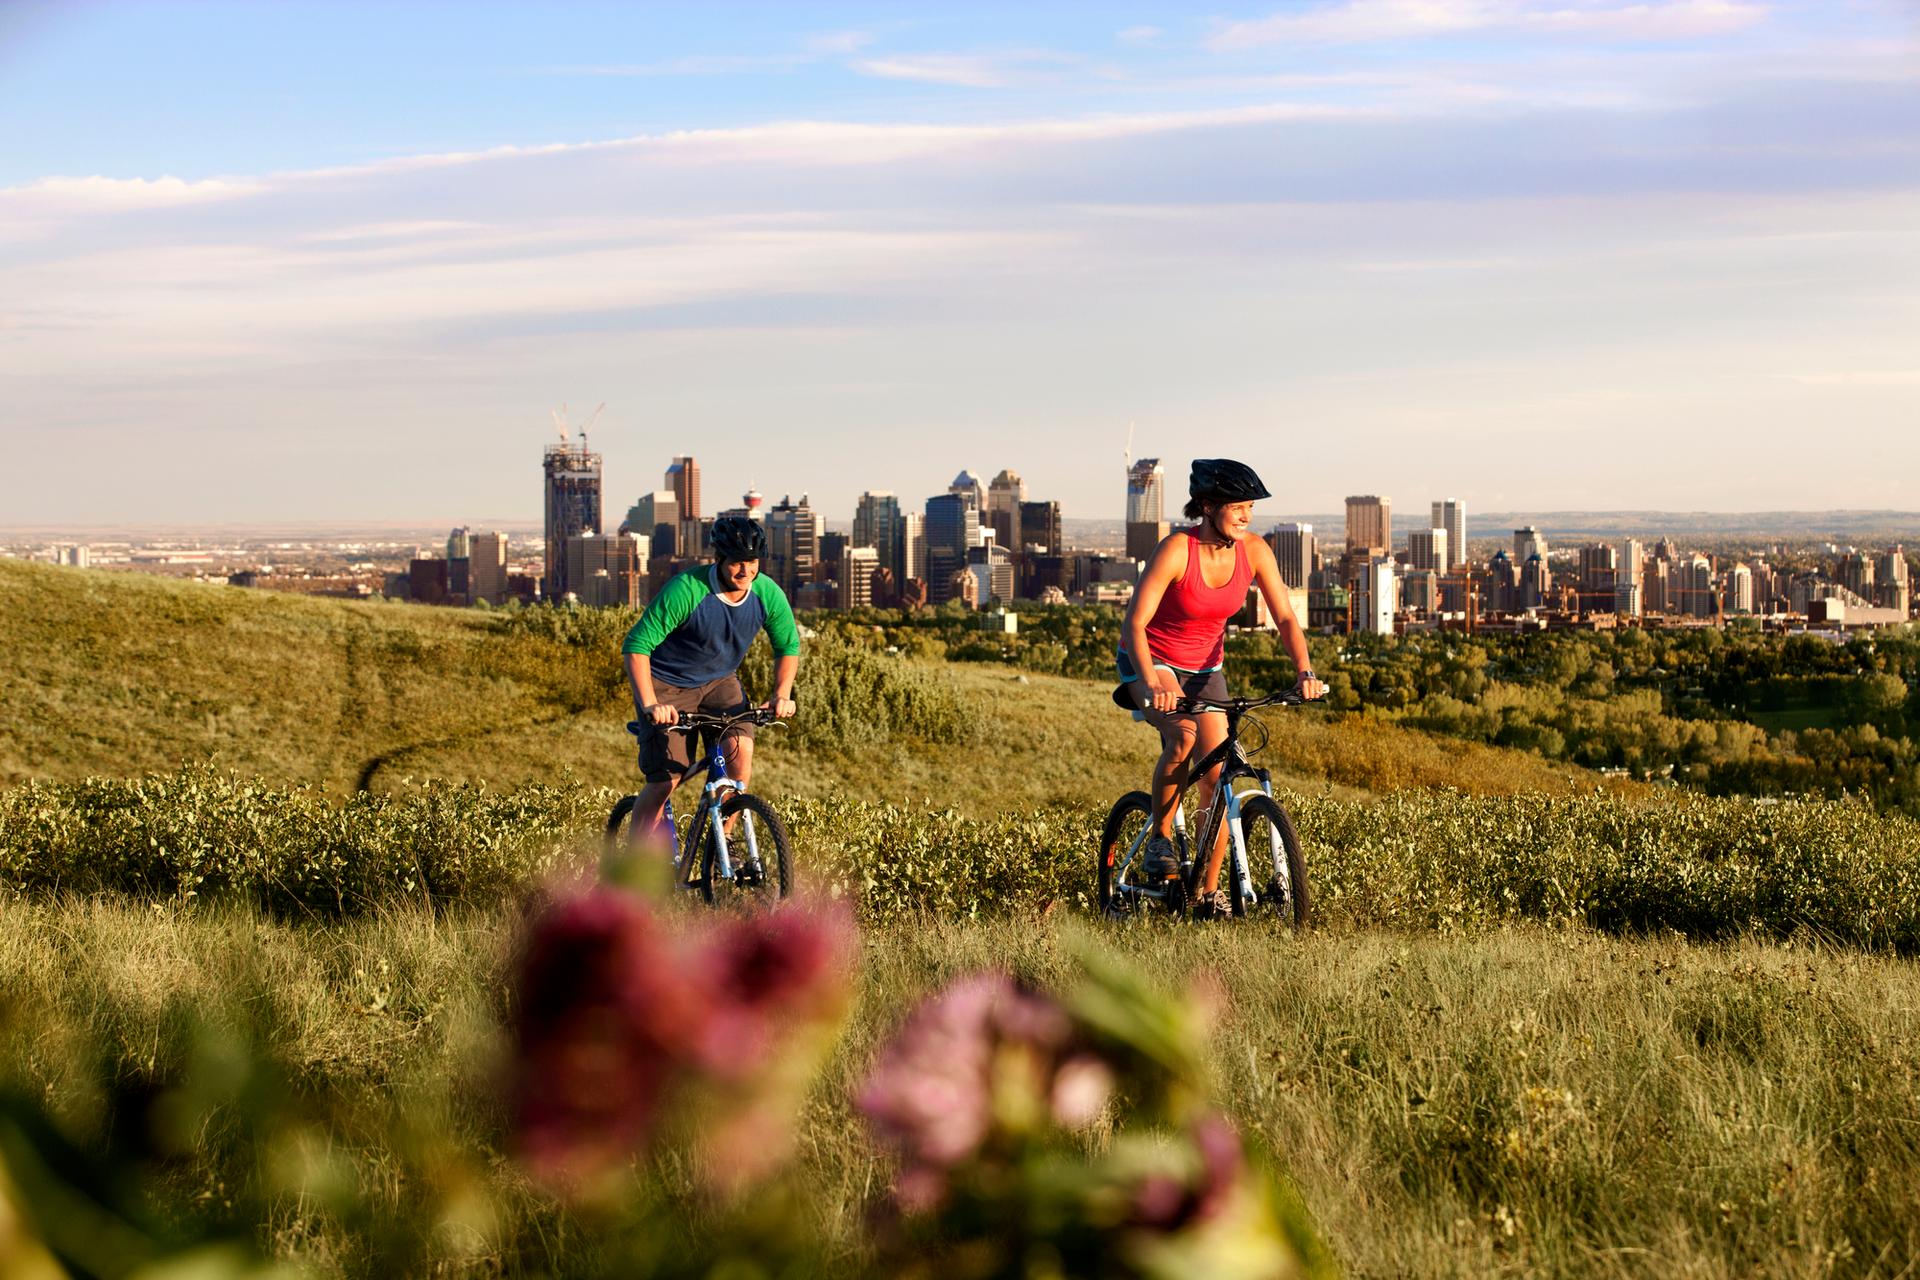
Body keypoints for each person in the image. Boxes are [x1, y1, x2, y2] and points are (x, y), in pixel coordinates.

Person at [1117, 459, 1326, 918]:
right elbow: (1135, 622)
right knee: (1184, 737)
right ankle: (1160, 841)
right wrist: (1152, 680)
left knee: (1219, 776)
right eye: (1238, 506)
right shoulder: (1176, 549)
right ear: (1208, 506)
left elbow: (1286, 617)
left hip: (1206, 668)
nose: (1247, 515)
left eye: (1250, 506)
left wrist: (1305, 672)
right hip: (1152, 661)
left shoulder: (1254, 551)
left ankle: (1207, 894)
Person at [620, 515, 799, 864]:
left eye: (751, 562)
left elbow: (788, 646)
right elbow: (637, 646)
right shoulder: (687, 590)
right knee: (664, 781)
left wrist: (781, 693)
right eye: (736, 562)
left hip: (720, 681)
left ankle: (724, 842)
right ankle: (635, 866)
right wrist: (651, 704)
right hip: (667, 682)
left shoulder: (767, 594)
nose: (745, 571)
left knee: (739, 755)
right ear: (719, 559)